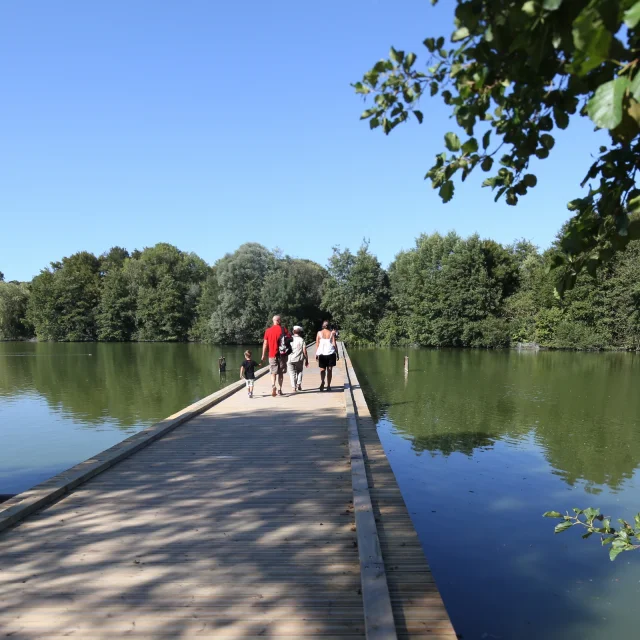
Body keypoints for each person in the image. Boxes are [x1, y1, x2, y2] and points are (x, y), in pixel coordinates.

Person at [261, 315, 292, 397]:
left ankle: (273, 385)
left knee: (273, 372)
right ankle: (280, 390)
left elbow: (265, 344)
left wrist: (263, 355)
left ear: (273, 321)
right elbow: (289, 340)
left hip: (272, 355)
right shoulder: (283, 329)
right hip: (282, 355)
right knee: (281, 373)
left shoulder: (268, 331)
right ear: (279, 320)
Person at [315, 320, 339, 391]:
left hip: (322, 353)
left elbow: (317, 344)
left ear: (323, 326)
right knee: (330, 370)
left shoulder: (319, 333)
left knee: (322, 369)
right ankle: (328, 386)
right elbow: (334, 344)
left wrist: (316, 354)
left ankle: (322, 381)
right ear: (328, 326)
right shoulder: (331, 333)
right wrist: (337, 353)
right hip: (331, 353)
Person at [288, 326, 309, 392]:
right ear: (300, 332)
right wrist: (306, 360)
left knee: (292, 373)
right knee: (299, 371)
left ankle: (294, 387)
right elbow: (304, 351)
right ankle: (299, 384)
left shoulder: (289, 339)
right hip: (299, 359)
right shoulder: (301, 340)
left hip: (290, 358)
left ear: (293, 332)